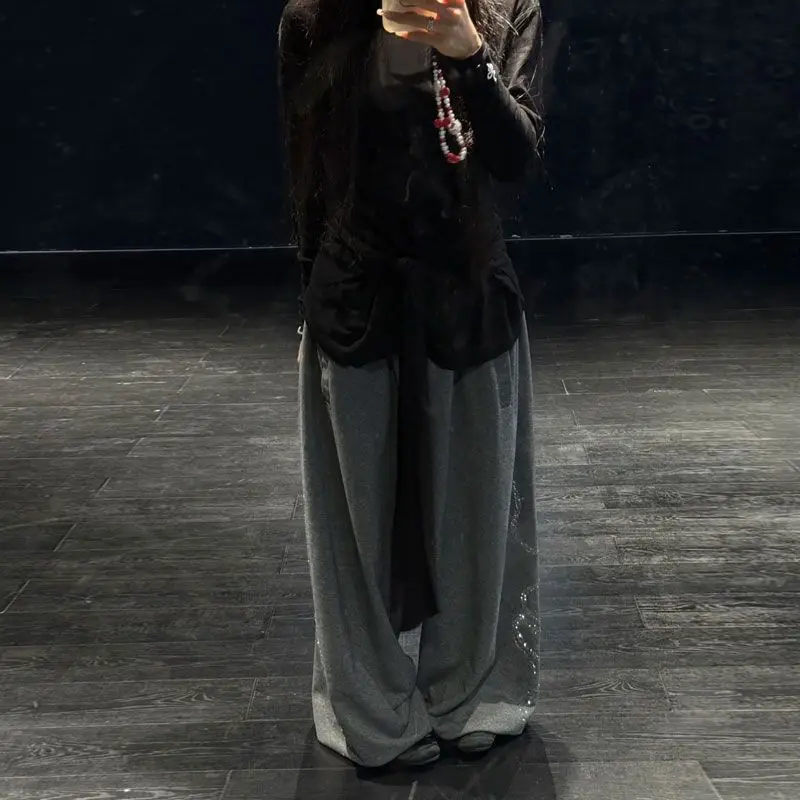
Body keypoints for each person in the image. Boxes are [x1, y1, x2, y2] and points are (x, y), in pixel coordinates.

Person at [278, 0, 543, 769]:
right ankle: (369, 705)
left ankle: (474, 691)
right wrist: (313, 294)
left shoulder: (508, 8)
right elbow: (307, 167)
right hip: (356, 294)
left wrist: (469, 55)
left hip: (468, 294)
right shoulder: (315, 17)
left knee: (477, 516)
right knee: (354, 527)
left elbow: (518, 158)